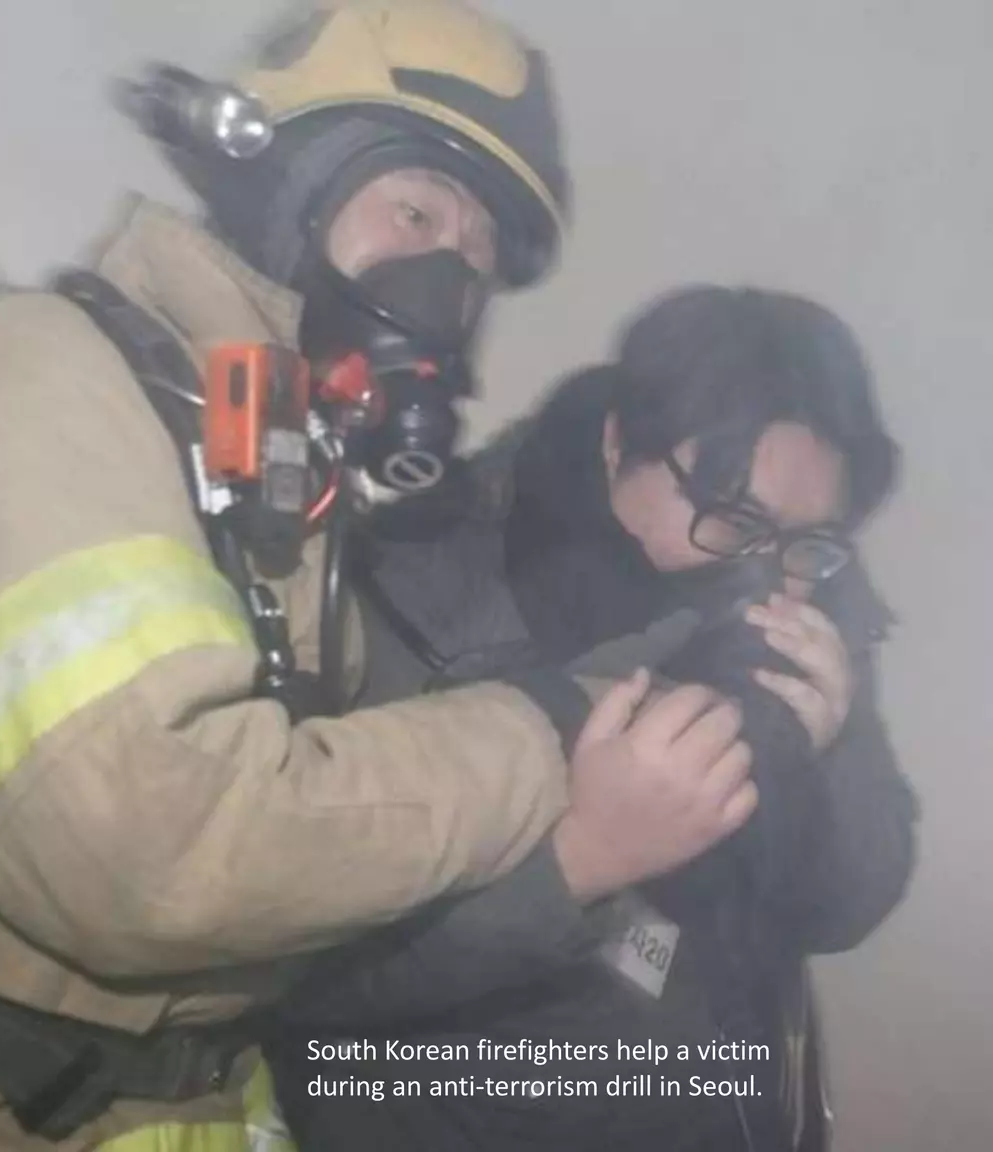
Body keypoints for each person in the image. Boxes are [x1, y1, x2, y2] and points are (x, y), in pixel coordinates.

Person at [0, 4, 758, 1149]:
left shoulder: (271, 501)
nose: (446, 282)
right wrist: (544, 729)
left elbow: (298, 915)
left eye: (478, 262)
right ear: (284, 184)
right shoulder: (41, 381)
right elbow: (155, 861)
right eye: (415, 212)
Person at [266, 285, 920, 1152]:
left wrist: (820, 763)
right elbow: (302, 993)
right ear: (619, 444)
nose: (768, 575)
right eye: (733, 519)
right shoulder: (402, 595)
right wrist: (580, 860)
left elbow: (845, 907)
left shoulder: (810, 607)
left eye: (808, 542)